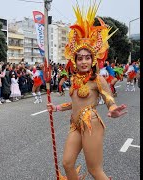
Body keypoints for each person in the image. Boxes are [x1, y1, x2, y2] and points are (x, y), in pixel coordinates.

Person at [47, 3, 127, 179]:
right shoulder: (74, 79)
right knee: (67, 164)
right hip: (75, 125)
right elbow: (75, 103)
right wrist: (57, 108)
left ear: (93, 59)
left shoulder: (98, 79)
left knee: (94, 170)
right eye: (80, 58)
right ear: (75, 60)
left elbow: (108, 99)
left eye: (87, 57)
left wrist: (113, 109)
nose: (84, 61)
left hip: (91, 123)